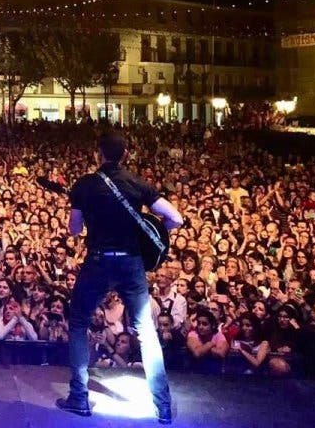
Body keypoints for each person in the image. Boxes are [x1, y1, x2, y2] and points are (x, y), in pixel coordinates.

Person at [57, 131, 183, 424]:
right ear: (125, 154)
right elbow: (175, 218)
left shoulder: (85, 185)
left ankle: (79, 398)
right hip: (132, 264)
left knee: (78, 323)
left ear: (97, 153)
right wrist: (148, 233)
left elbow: (74, 231)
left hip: (99, 260)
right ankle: (162, 407)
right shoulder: (138, 183)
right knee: (146, 332)